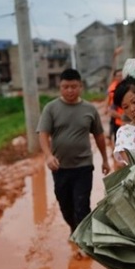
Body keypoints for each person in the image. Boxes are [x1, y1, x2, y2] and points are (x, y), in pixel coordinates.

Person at [37, 68, 111, 236]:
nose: (70, 90)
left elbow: (99, 136)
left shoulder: (89, 109)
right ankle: (74, 228)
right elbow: (43, 134)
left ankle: (83, 240)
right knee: (65, 205)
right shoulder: (51, 108)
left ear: (80, 87)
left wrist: (105, 160)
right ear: (60, 87)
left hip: (83, 166)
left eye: (73, 86)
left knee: (82, 204)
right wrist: (48, 156)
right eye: (66, 87)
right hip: (60, 168)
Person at [107, 68, 125, 145]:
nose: (120, 77)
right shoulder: (113, 88)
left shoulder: (130, 87)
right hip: (118, 119)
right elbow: (108, 100)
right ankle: (109, 135)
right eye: (118, 75)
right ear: (115, 77)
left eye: (121, 75)